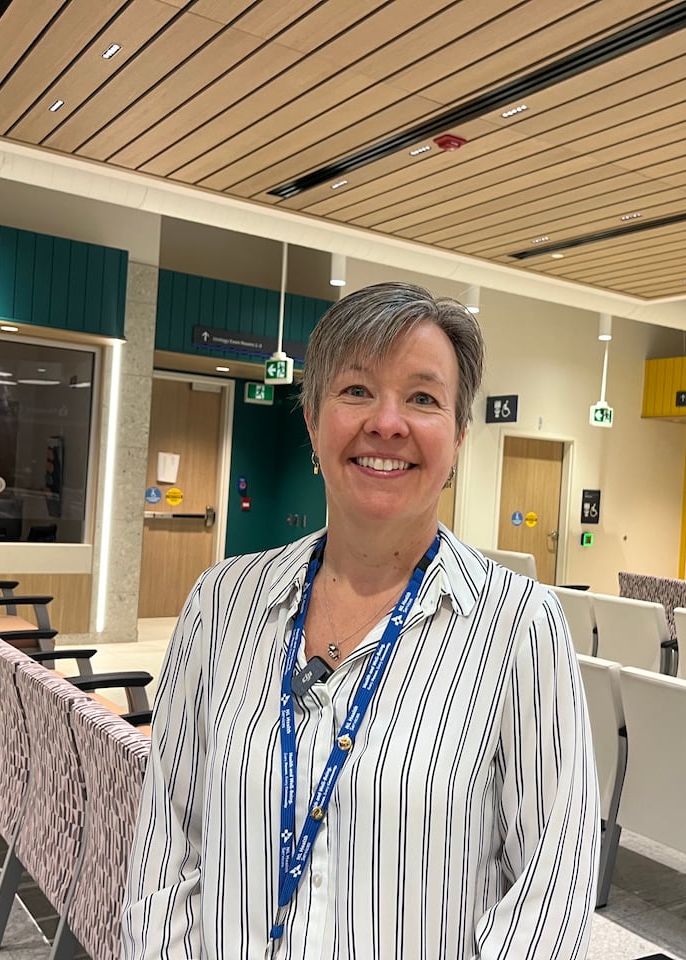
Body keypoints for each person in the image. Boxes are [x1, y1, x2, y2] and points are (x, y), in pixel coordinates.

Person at [122, 282, 600, 959]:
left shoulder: (519, 627)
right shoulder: (222, 604)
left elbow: (551, 890)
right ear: (313, 422)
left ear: (459, 437)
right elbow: (165, 844)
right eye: (356, 391)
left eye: (423, 398)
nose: (387, 422)